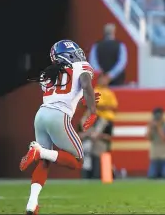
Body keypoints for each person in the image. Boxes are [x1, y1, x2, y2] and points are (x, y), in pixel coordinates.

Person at [20, 40, 99, 214]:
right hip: (58, 117)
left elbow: (65, 95)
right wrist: (92, 111)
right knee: (78, 161)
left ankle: (31, 204)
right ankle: (39, 151)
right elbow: (85, 85)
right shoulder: (81, 67)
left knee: (44, 163)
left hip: (41, 116)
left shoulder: (48, 75)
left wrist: (85, 98)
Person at [78, 73, 118, 179]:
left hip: (105, 121)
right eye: (103, 79)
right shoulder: (94, 91)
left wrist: (101, 106)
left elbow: (113, 106)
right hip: (96, 120)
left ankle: (101, 172)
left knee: (102, 150)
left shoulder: (109, 93)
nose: (105, 81)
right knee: (87, 148)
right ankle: (87, 174)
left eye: (106, 79)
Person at [146, 107, 165, 179]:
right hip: (155, 158)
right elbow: (148, 138)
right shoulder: (151, 125)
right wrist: (150, 128)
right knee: (151, 176)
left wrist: (159, 128)